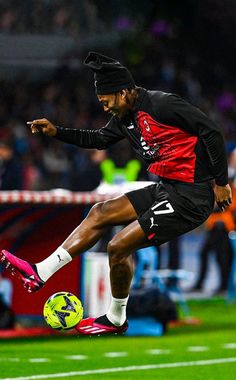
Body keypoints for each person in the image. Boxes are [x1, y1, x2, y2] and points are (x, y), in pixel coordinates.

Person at [0, 52, 232, 336]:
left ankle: (116, 317)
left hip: (191, 197)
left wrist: (221, 182)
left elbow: (211, 132)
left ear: (123, 92)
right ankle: (41, 272)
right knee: (100, 212)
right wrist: (56, 131)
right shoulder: (126, 117)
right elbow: (98, 139)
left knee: (118, 246)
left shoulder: (162, 104)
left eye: (107, 101)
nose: (106, 107)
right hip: (168, 189)